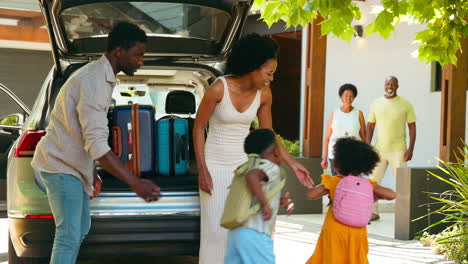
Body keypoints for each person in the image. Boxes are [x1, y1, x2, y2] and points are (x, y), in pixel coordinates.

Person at [31, 22, 161, 264]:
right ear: (119, 51)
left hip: (72, 166)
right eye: (138, 55)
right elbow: (97, 145)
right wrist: (135, 183)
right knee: (68, 236)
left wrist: (92, 173)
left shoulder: (101, 77)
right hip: (58, 166)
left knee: (80, 229)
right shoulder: (94, 81)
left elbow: (84, 136)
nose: (141, 61)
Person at [193, 33, 314, 264]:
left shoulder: (264, 94)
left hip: (246, 168)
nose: (271, 78)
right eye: (269, 73)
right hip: (215, 166)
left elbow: (268, 136)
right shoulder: (219, 89)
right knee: (215, 233)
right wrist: (203, 170)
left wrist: (293, 163)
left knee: (243, 229)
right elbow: (199, 129)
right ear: (252, 67)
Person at [306, 137, 396, 264]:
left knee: (330, 258)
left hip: (334, 231)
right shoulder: (368, 184)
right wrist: (373, 192)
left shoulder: (333, 181)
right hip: (357, 233)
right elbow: (391, 195)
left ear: (337, 164)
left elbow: (311, 195)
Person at [224, 128, 294, 264]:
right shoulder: (271, 167)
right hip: (256, 234)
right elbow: (252, 176)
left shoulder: (246, 166)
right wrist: (265, 204)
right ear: (276, 152)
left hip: (236, 233)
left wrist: (279, 201)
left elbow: (254, 194)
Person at [366, 76, 416, 221]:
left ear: (397, 86)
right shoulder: (376, 103)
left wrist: (411, 149)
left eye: (392, 84)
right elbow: (370, 126)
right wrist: (367, 147)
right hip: (379, 150)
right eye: (387, 84)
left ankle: (404, 214)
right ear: (384, 85)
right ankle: (373, 212)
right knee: (372, 181)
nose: (390, 87)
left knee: (402, 183)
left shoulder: (405, 104)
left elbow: (412, 127)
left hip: (399, 150)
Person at [321, 83, 366, 175]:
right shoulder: (334, 113)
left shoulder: (359, 113)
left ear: (354, 98)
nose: (348, 98)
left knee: (352, 182)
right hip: (335, 155)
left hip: (354, 155)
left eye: (351, 96)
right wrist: (324, 158)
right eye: (346, 96)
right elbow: (327, 138)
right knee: (337, 183)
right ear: (341, 97)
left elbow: (364, 137)